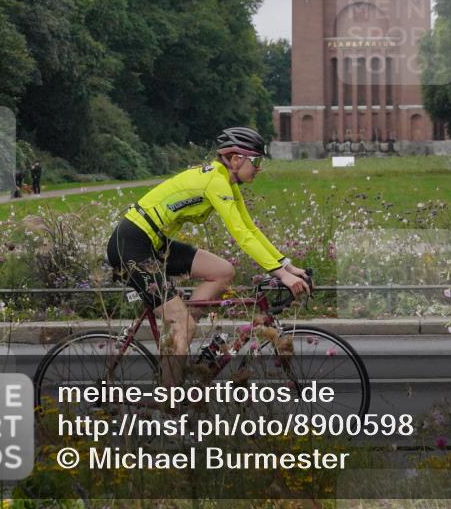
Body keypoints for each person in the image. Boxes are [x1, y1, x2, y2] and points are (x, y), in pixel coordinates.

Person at [106, 127, 311, 388]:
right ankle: (169, 405)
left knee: (223, 271)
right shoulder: (216, 182)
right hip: (131, 245)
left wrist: (286, 265)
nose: (259, 168)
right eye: (256, 161)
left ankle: (181, 340)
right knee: (180, 323)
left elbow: (250, 228)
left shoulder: (226, 181)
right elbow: (241, 236)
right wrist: (280, 274)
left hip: (154, 243)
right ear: (236, 159)